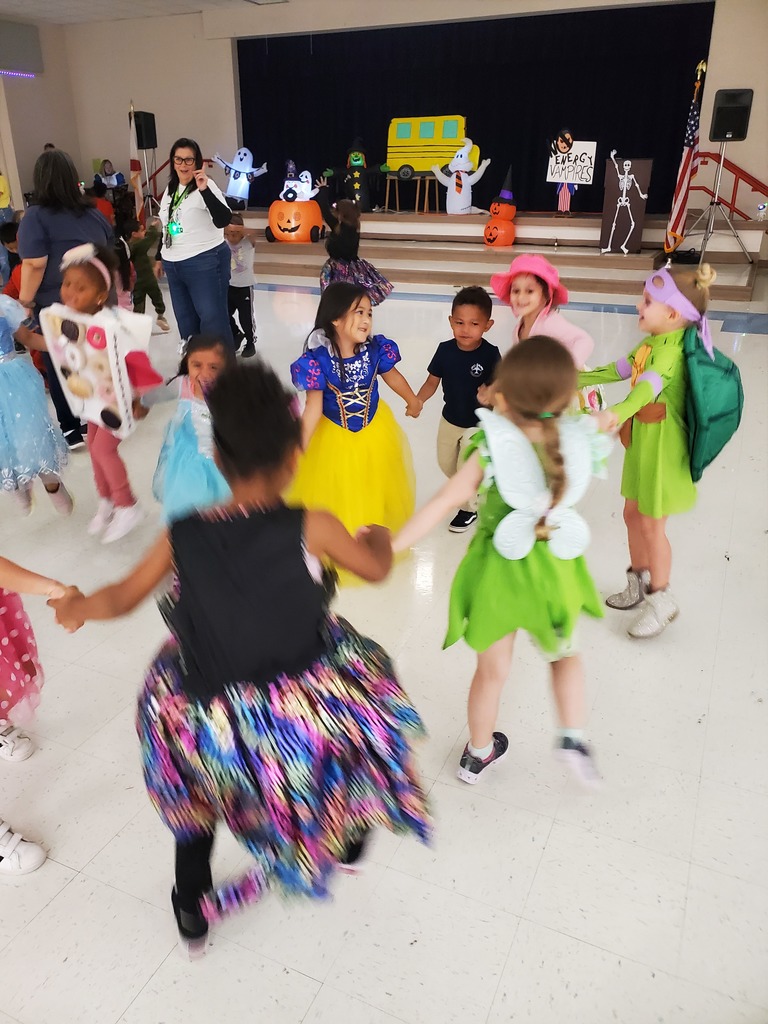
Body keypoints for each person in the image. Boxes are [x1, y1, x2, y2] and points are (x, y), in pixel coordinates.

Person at [49, 361, 430, 956]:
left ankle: (190, 906)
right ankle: (345, 838)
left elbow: (122, 597)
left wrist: (77, 607)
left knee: (195, 803)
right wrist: (378, 531)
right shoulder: (314, 525)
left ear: (218, 460)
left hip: (205, 709)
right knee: (346, 746)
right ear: (294, 458)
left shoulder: (184, 533)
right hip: (297, 709)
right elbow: (377, 567)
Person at [395, 337, 615, 787]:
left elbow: (444, 502)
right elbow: (605, 420)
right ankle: (572, 735)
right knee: (565, 658)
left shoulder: (490, 447)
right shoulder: (576, 439)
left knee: (490, 672)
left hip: (498, 572)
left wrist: (393, 543)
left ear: (505, 392)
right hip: (552, 573)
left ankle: (477, 754)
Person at [578, 265, 716, 639]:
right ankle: (637, 583)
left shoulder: (669, 354)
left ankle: (662, 598)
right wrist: (569, 376)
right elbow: (618, 369)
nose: (639, 306)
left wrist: (613, 414)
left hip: (664, 449)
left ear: (673, 314)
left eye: (647, 301)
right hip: (643, 442)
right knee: (632, 512)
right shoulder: (651, 342)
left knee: (653, 525)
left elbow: (645, 391)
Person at [288, 283, 420, 562]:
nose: (366, 320)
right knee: (339, 489)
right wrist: (299, 446)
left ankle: (372, 535)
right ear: (335, 318)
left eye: (369, 314)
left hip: (374, 429)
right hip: (334, 435)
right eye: (358, 312)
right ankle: (340, 543)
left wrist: (412, 399)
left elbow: (392, 376)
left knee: (375, 480)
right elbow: (312, 408)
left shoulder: (375, 350)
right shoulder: (317, 360)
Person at [17, 149, 113, 450]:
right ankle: (92, 417)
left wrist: (25, 301)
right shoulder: (93, 211)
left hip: (59, 303)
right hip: (95, 302)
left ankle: (71, 428)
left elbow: (35, 263)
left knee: (60, 363)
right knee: (88, 359)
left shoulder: (35, 216)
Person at [57, 244, 144, 543]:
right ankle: (106, 500)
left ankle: (127, 504)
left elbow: (136, 361)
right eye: (67, 284)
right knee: (93, 447)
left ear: (99, 296)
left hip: (116, 400)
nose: (70, 292)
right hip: (93, 400)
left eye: (80, 288)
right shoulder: (70, 321)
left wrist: (137, 398)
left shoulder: (111, 324)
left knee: (104, 449)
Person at [417, 286, 500, 533]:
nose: (466, 329)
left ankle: (469, 508)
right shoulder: (445, 350)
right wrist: (418, 400)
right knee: (446, 464)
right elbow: (432, 381)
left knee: (465, 465)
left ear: (488, 325)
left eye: (474, 323)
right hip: (450, 419)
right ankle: (474, 485)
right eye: (460, 322)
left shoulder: (490, 354)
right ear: (451, 321)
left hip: (478, 423)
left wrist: (491, 393)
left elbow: (501, 385)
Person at [490, 254, 603, 411]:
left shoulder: (550, 323)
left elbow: (585, 340)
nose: (521, 297)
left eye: (530, 291)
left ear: (545, 296)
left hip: (567, 386)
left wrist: (564, 373)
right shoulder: (519, 329)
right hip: (544, 387)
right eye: (516, 291)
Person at [139, 334, 233, 522]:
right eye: (197, 365)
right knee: (186, 503)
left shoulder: (227, 392)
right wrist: (137, 396)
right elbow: (151, 397)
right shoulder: (182, 385)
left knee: (216, 502)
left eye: (213, 367)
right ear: (187, 363)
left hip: (216, 458)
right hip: (183, 458)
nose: (205, 373)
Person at [0, 296, 72, 517]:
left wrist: (61, 347)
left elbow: (29, 338)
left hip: (15, 381)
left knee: (32, 434)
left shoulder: (3, 306)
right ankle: (15, 486)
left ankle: (52, 482)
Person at [158, 138, 233, 347]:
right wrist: (159, 257)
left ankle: (222, 375)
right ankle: (196, 371)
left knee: (213, 323)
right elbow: (167, 225)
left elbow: (223, 220)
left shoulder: (206, 186)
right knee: (186, 324)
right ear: (173, 162)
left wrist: (204, 190)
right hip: (173, 264)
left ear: (197, 162)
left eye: (188, 160)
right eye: (178, 159)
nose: (183, 165)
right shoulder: (170, 189)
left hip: (204, 261)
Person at [315, 177, 392, 305]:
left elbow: (324, 208)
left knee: (337, 297)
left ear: (340, 214)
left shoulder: (337, 226)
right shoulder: (356, 224)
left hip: (337, 269)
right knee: (351, 296)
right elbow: (354, 203)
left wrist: (323, 189)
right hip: (354, 267)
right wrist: (348, 184)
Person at [125, 218, 169, 331]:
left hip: (136, 282)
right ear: (134, 234)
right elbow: (151, 238)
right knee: (157, 297)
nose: (144, 232)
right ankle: (160, 316)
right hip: (148, 279)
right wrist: (153, 227)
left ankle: (137, 324)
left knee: (138, 302)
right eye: (141, 230)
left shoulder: (128, 247)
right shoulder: (138, 245)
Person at [224, 214, 257, 356]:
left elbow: (254, 234)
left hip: (244, 287)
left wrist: (241, 230)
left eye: (236, 234)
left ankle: (250, 343)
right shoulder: (223, 242)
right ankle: (236, 333)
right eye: (230, 234)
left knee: (246, 318)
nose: (232, 237)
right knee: (224, 314)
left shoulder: (248, 242)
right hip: (228, 285)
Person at [0, 169, 14, 287]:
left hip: (2, 212)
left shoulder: (0, 179)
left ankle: (7, 284)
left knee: (4, 251)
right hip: (3, 212)